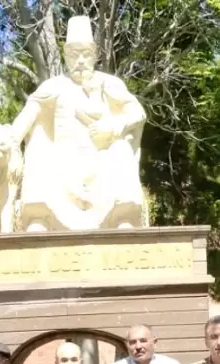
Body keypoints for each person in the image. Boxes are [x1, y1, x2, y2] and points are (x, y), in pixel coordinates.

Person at [8, 15, 147, 231]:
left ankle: (122, 220)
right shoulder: (53, 86)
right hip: (63, 163)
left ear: (95, 55)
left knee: (121, 149)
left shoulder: (109, 83)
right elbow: (27, 117)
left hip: (101, 161)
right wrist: (9, 141)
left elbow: (137, 113)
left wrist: (114, 126)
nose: (80, 61)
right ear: (65, 56)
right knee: (37, 149)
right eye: (74, 55)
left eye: (85, 54)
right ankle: (38, 220)